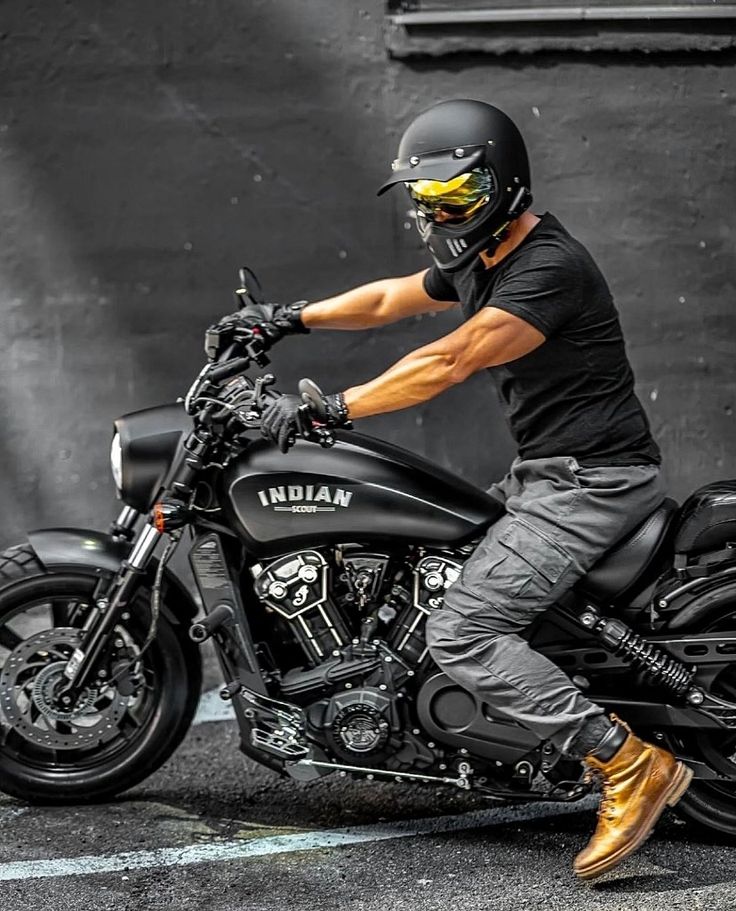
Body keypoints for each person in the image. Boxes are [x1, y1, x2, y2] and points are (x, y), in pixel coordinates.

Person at [213, 99, 692, 880]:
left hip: (591, 485)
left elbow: (451, 358)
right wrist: (283, 317)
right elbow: (387, 299)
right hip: (548, 473)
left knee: (464, 629)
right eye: (425, 201)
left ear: (504, 185)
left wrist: (328, 407)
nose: (438, 216)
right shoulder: (484, 252)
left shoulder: (547, 269)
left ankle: (626, 763)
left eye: (454, 197)